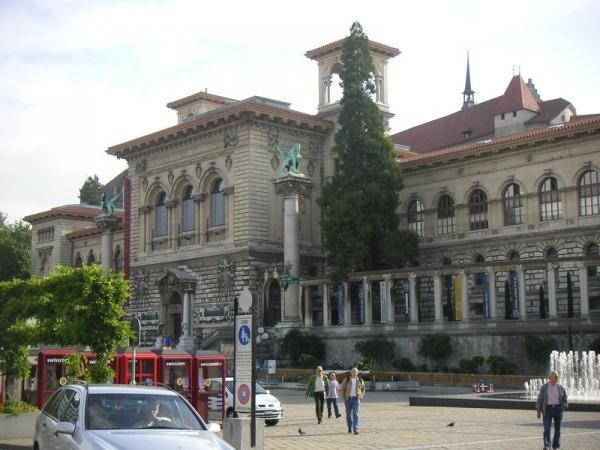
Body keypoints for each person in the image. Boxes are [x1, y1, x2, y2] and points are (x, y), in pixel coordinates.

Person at [536, 370, 568, 450]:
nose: (557, 378)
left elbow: (565, 398)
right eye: (555, 376)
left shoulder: (561, 387)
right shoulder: (544, 387)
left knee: (558, 430)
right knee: (547, 428)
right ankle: (547, 446)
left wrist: (563, 406)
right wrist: (538, 411)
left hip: (558, 409)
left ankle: (556, 446)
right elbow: (540, 399)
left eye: (557, 376)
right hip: (547, 409)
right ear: (550, 378)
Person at [341, 367, 365, 435]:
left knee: (356, 414)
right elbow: (342, 389)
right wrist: (344, 397)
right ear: (351, 372)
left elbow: (363, 389)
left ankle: (356, 429)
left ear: (357, 373)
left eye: (356, 372)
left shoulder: (360, 380)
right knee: (348, 415)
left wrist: (361, 396)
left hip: (356, 399)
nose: (354, 373)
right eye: (353, 371)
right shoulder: (346, 380)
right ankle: (349, 427)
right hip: (348, 399)